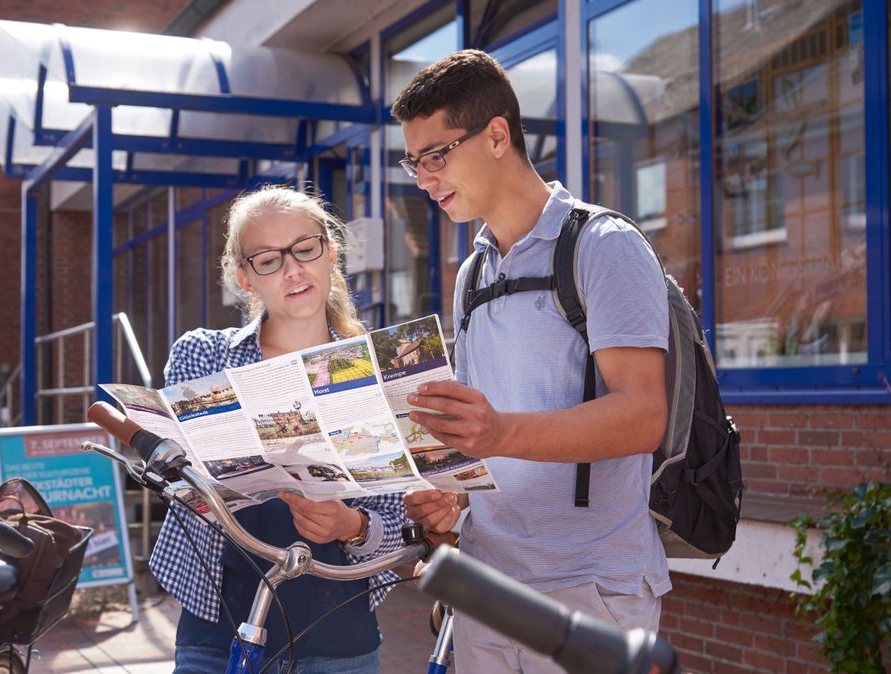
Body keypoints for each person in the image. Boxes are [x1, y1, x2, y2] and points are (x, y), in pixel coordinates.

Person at [392, 50, 672, 673]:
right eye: (414, 162)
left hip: (590, 588)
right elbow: (487, 434)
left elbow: (643, 413)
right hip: (486, 583)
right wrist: (451, 497)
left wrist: (499, 432)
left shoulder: (604, 246)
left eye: (436, 155)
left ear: (497, 135)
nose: (424, 178)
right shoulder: (473, 273)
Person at [149, 185, 407, 674]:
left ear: (330, 254)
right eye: (268, 259)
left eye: (305, 249)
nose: (293, 270)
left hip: (338, 633)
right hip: (217, 624)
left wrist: (349, 526)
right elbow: (178, 486)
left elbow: (389, 526)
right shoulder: (204, 356)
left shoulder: (371, 369)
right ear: (245, 279)